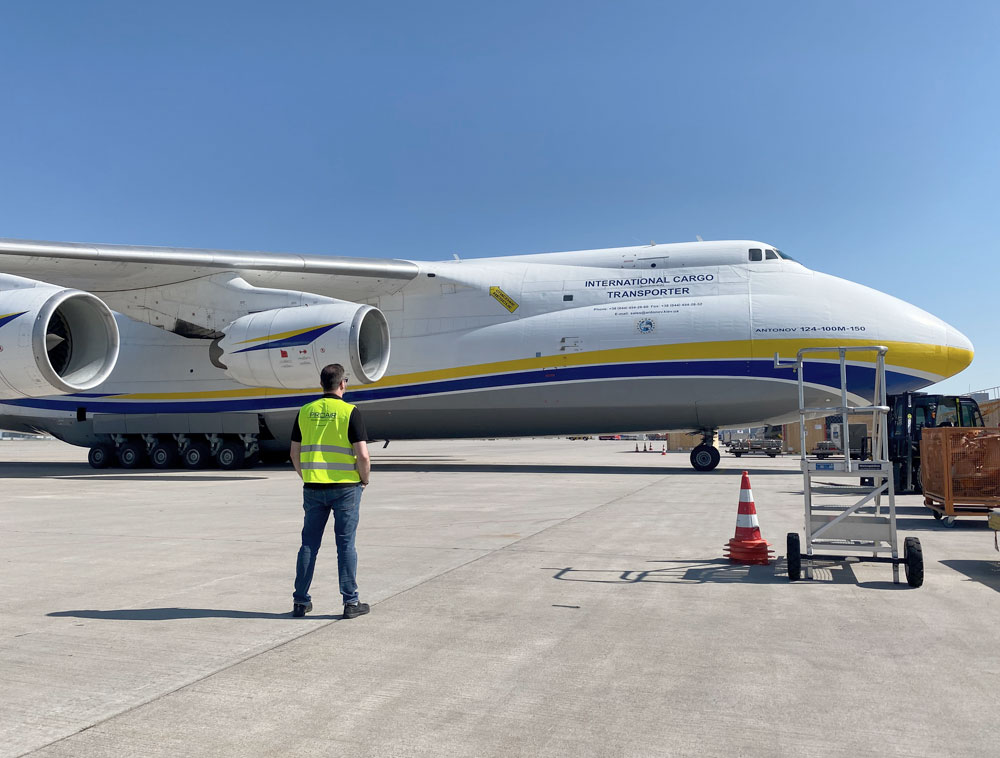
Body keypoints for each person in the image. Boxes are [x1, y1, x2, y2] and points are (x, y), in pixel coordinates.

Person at [290, 363, 371, 619]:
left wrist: (308, 476)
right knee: (345, 545)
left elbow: (294, 453)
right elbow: (363, 456)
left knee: (308, 545)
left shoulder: (305, 411)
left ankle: (300, 602)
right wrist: (364, 480)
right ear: (342, 384)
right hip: (346, 488)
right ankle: (350, 602)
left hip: (313, 487)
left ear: (322, 384)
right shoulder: (350, 412)